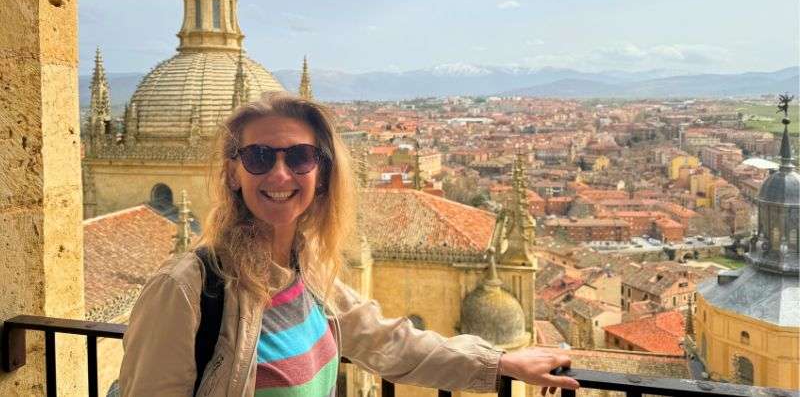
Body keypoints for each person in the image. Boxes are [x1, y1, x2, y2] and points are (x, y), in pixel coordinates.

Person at [119, 92, 579, 397]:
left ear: (322, 175)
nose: (280, 175)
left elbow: (387, 341)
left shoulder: (307, 271)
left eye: (299, 157)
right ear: (233, 174)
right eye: (258, 157)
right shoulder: (183, 289)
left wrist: (501, 360)